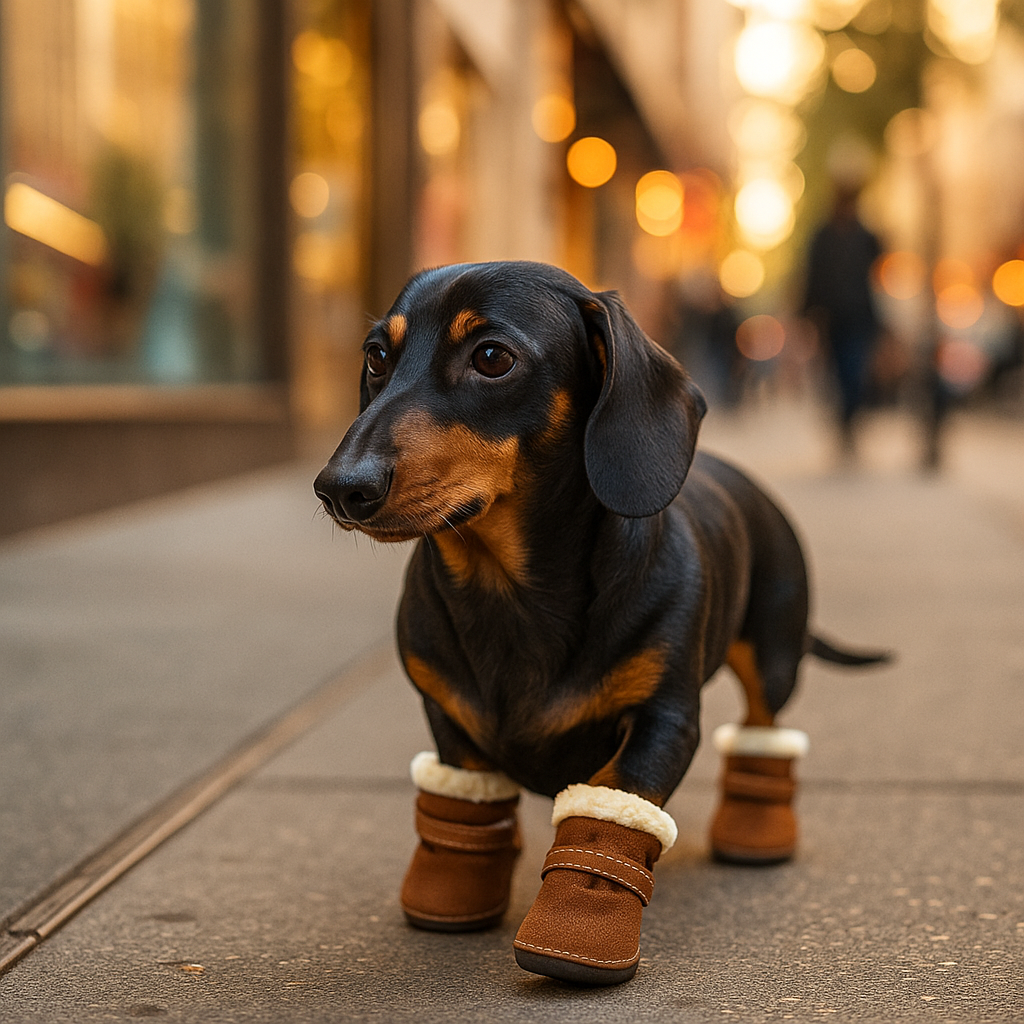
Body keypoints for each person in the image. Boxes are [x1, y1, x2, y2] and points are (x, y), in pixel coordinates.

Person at [803, 183, 883, 452]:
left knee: (855, 372)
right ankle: (844, 421)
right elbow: (812, 278)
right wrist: (808, 315)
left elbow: (878, 269)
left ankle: (849, 420)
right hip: (832, 319)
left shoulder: (866, 236)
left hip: (859, 317)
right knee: (837, 373)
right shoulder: (822, 237)